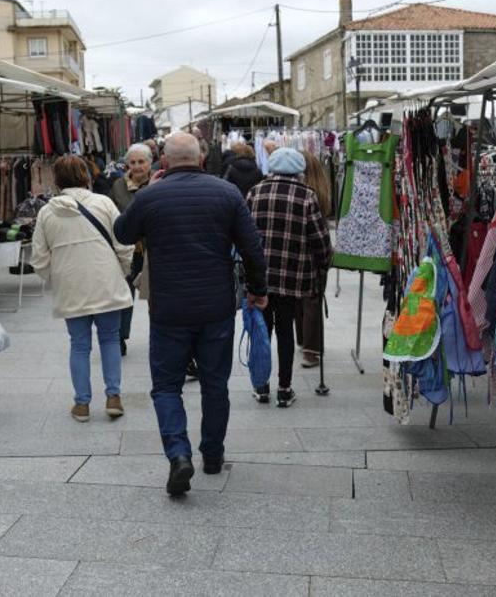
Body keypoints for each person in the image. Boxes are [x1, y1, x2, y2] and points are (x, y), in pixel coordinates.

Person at [115, 132, 267, 496]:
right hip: (216, 307)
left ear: (163, 162)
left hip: (169, 308)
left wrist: (144, 192)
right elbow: (252, 248)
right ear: (201, 158)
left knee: (167, 386)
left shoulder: (151, 195)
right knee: (216, 384)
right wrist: (259, 291)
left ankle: (179, 454)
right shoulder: (227, 193)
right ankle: (212, 455)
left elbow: (122, 233)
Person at [30, 155, 134, 423]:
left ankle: (82, 404)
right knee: (110, 339)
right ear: (86, 177)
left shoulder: (46, 212)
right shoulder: (104, 203)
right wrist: (121, 271)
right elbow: (124, 244)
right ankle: (113, 397)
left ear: (57, 180)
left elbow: (39, 259)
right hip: (106, 282)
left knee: (79, 345)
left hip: (71, 286)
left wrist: (58, 276)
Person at [246, 148, 332, 407]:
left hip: (260, 277)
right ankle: (284, 389)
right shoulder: (307, 196)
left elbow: (243, 234)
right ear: (299, 171)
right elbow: (320, 241)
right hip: (293, 278)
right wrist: (323, 264)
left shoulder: (255, 192)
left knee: (261, 332)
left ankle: (261, 386)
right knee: (285, 331)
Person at [109, 143, 153, 355]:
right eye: (133, 162)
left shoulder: (158, 183)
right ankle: (119, 337)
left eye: (141, 162)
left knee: (155, 296)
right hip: (127, 251)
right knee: (124, 296)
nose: (137, 166)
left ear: (149, 162)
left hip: (153, 250)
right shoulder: (118, 186)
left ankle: (159, 336)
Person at [296, 149, 333, 368]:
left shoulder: (304, 192)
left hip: (300, 246)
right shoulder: (320, 189)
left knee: (303, 300)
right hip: (317, 244)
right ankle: (310, 347)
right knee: (313, 297)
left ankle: (305, 344)